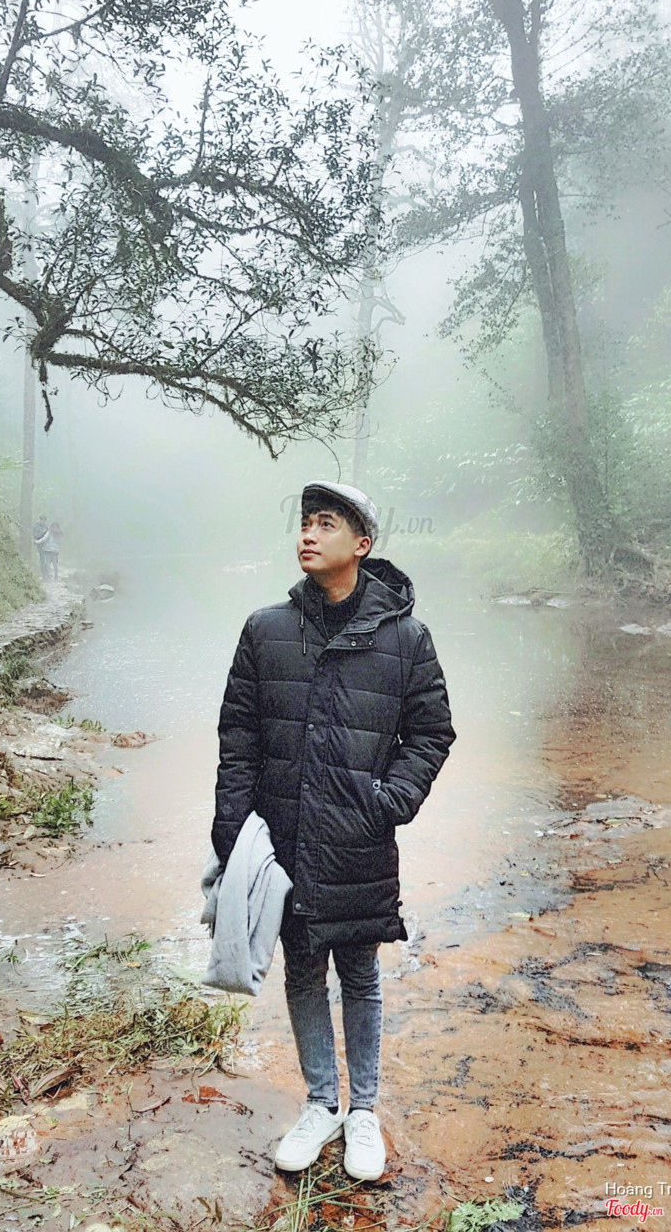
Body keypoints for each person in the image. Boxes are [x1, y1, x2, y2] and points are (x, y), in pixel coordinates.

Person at [211, 480, 455, 1181]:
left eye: (325, 523)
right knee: (301, 968)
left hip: (359, 835)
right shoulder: (265, 630)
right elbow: (238, 738)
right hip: (283, 834)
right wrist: (234, 832)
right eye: (305, 523)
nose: (308, 535)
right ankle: (321, 1103)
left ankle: (364, 1111)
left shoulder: (405, 638)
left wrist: (390, 800)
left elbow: (431, 733)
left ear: (362, 543)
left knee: (360, 970)